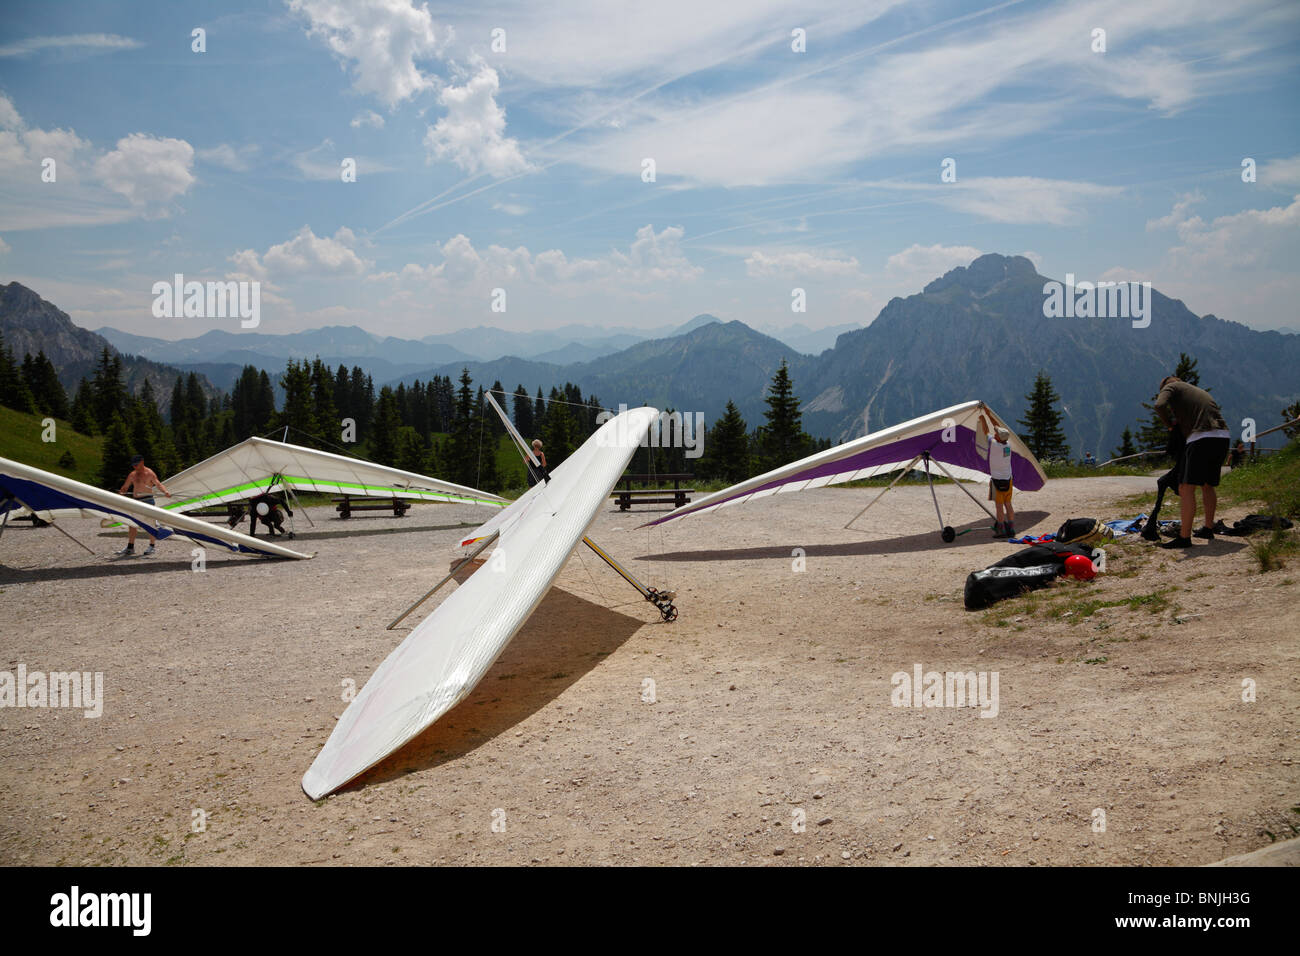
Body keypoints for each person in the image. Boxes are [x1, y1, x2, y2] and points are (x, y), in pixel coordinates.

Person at [1153, 375, 1229, 549]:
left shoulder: (1172, 387)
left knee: (1186, 487)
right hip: (1222, 435)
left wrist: (1170, 425)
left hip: (1201, 437)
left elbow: (1159, 405)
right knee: (1207, 485)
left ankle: (1184, 538)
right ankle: (1208, 529)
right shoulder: (1197, 390)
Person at [116, 454, 171, 556]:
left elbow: (158, 484)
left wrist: (165, 492)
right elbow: (125, 487)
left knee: (151, 523)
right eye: (133, 465)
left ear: (142, 462)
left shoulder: (149, 473)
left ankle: (152, 546)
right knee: (132, 524)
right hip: (136, 501)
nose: (135, 467)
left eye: (136, 465)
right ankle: (130, 547)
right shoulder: (132, 474)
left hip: (148, 501)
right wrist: (121, 492)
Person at [978, 411, 1015, 538]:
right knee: (1008, 504)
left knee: (999, 507)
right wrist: (988, 413)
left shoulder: (993, 444)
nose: (995, 434)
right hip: (1008, 479)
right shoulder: (1007, 445)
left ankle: (1001, 530)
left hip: (997, 481)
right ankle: (1011, 528)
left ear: (998, 437)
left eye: (997, 434)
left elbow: (986, 430)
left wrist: (982, 418)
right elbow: (997, 427)